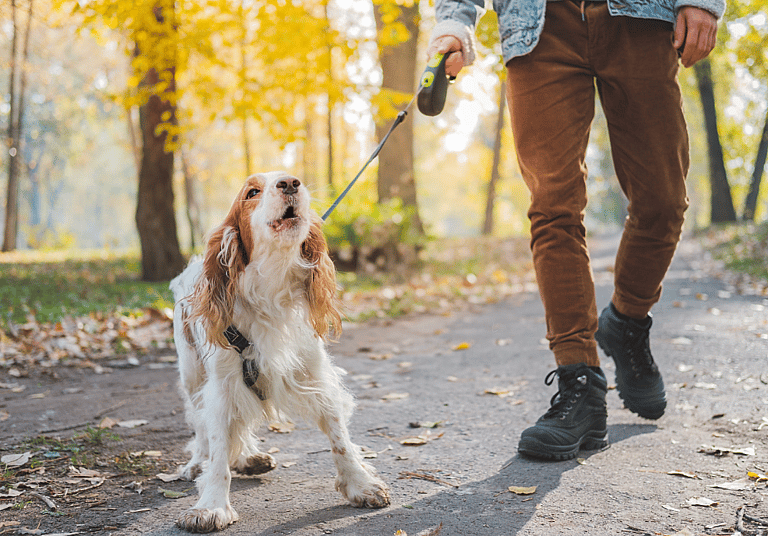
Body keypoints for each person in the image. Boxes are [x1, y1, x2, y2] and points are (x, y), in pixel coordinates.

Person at [427, 0, 724, 460]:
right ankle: (579, 381)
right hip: (538, 27)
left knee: (663, 200)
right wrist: (453, 21)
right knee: (553, 207)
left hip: (639, 18)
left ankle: (626, 322)